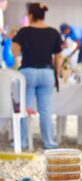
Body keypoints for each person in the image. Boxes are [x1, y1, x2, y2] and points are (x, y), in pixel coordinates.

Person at [11, 2, 63, 149]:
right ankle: (49, 142)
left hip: (27, 73)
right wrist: (56, 75)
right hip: (47, 73)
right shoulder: (54, 32)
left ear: (31, 15)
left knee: (24, 109)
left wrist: (14, 39)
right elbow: (58, 57)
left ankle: (22, 141)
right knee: (45, 110)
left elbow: (15, 52)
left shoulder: (24, 31)